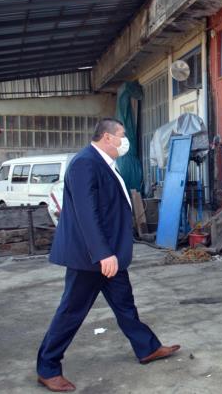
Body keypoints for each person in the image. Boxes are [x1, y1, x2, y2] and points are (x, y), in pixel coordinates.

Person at [36, 118, 180, 392]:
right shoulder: (85, 163)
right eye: (121, 135)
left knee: (125, 305)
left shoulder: (103, 163)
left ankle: (147, 348)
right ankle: (47, 368)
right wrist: (103, 253)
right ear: (106, 137)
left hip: (110, 255)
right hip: (91, 258)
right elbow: (85, 213)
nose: (125, 141)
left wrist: (111, 252)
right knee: (71, 312)